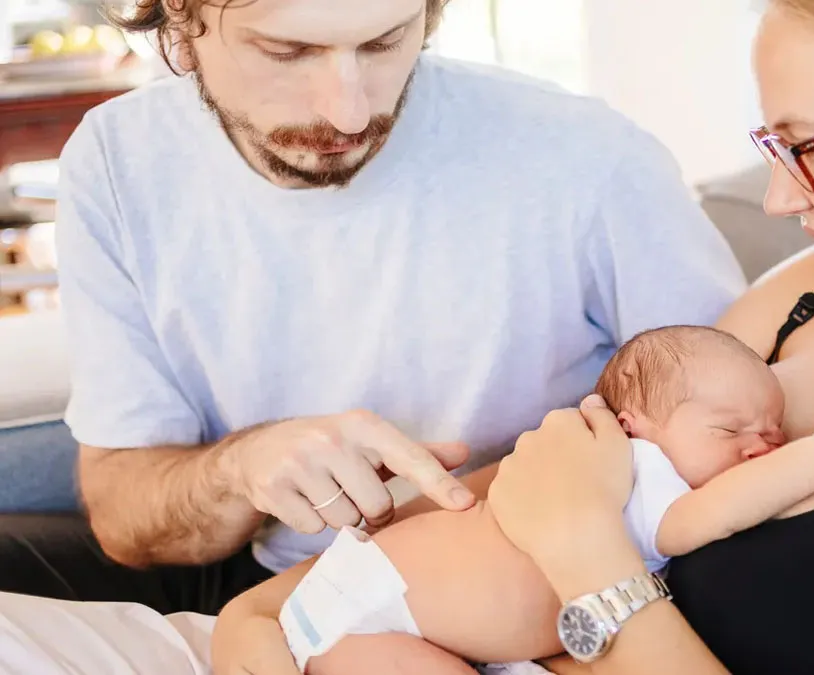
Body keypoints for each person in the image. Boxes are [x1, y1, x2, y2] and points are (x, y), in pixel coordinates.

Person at [214, 0, 814, 673]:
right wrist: (265, 626)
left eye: (805, 146)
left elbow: (574, 516)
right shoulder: (803, 300)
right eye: (773, 151)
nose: (777, 196)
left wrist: (589, 559)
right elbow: (521, 502)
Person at [0, 0, 747, 616]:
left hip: (495, 593)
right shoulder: (117, 159)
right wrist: (242, 469)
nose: (350, 113)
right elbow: (124, 512)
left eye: (387, 41)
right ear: (177, 26)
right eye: (286, 52)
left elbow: (752, 424)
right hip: (265, 578)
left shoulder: (590, 159)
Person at [236, 325, 814, 674]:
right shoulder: (639, 469)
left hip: (372, 605)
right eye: (731, 430)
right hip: (367, 617)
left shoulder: (599, 459)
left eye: (773, 431)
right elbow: (717, 513)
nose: (759, 446)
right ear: (636, 423)